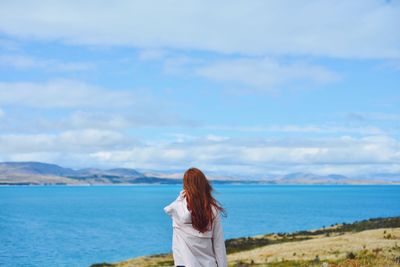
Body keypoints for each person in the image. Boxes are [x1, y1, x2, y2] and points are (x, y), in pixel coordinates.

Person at [164, 167, 228, 267]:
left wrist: (181, 197)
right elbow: (218, 245)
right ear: (204, 184)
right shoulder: (212, 210)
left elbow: (169, 208)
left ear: (185, 186)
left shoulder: (177, 209)